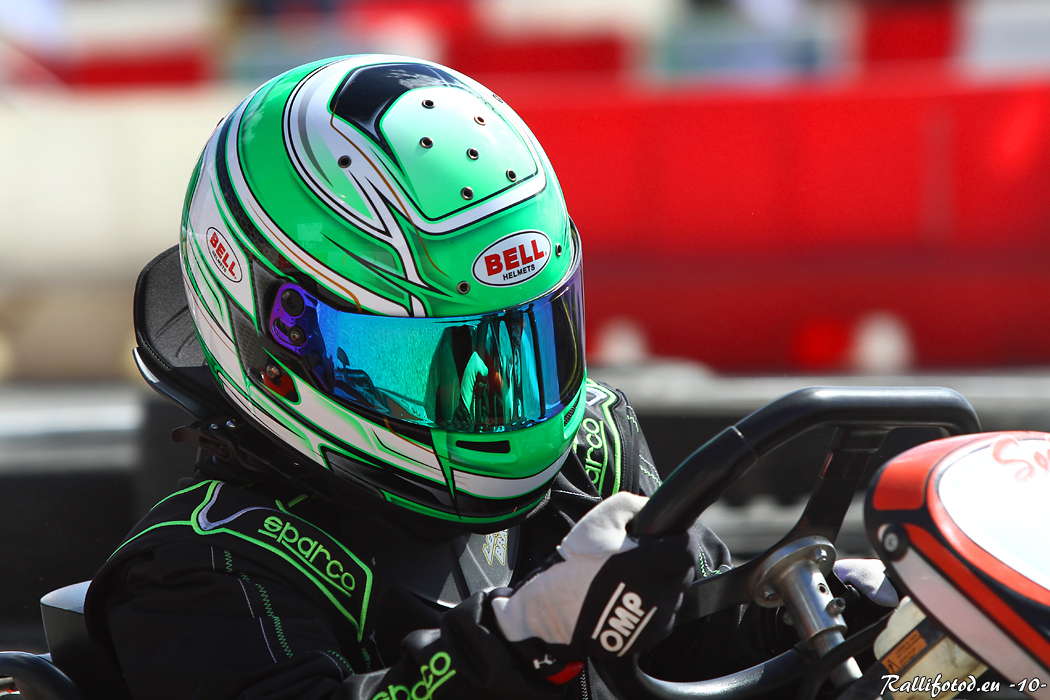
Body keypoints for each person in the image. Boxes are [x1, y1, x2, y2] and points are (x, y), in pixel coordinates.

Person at [83, 55, 894, 700]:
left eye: (525, 342)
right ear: (278, 336)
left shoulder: (592, 451)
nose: (496, 395)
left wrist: (817, 623)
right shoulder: (203, 569)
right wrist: (520, 641)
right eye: (424, 359)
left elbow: (684, 651)